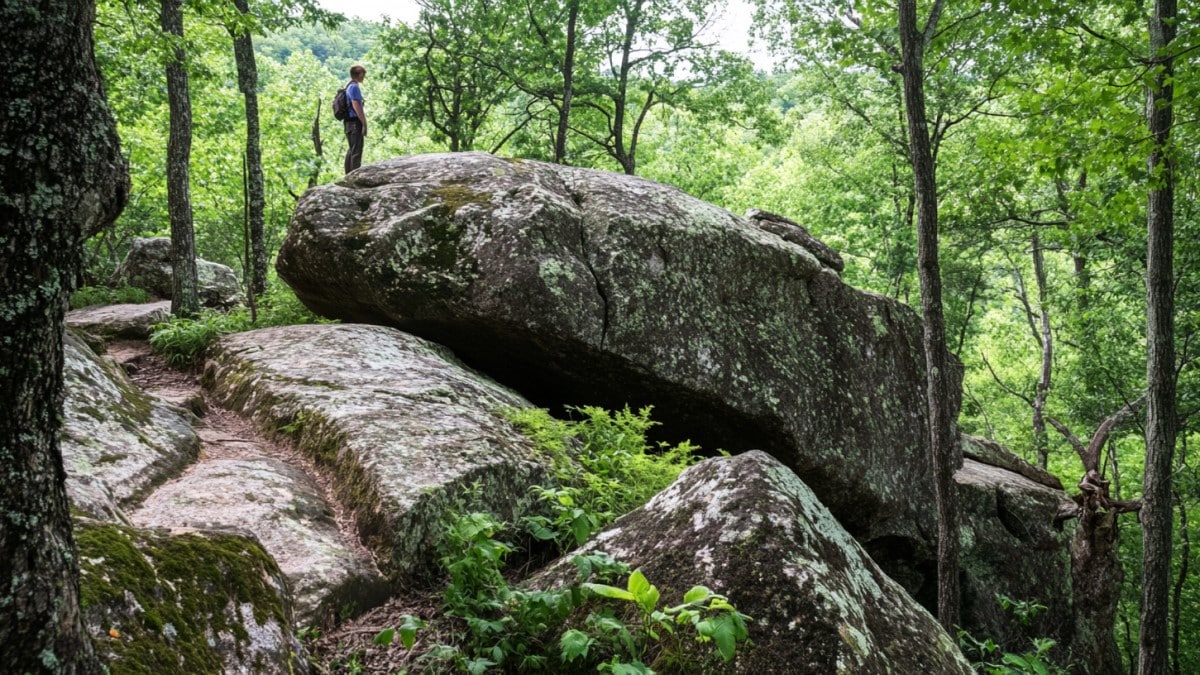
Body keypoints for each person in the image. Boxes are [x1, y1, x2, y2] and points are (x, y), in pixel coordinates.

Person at [344, 65, 367, 173]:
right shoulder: (354, 87)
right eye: (363, 74)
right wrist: (364, 123)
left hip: (348, 123)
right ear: (359, 74)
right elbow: (356, 105)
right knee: (357, 151)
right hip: (354, 123)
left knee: (352, 150)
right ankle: (354, 177)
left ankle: (348, 175)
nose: (364, 77)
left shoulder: (348, 86)